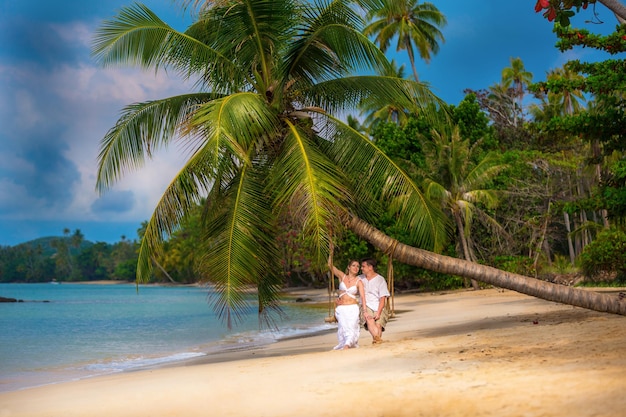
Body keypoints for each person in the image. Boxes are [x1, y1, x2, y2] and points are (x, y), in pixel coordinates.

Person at [330, 260, 366, 350]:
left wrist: (365, 311)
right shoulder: (342, 277)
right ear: (349, 267)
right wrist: (330, 253)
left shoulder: (359, 281)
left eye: (358, 266)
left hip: (352, 308)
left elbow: (363, 297)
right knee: (343, 327)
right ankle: (345, 343)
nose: (356, 268)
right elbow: (330, 266)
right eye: (353, 265)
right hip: (341, 308)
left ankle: (347, 344)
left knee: (351, 326)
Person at [359, 258, 390, 344]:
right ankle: (378, 340)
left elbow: (382, 298)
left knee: (378, 325)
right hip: (366, 305)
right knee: (369, 320)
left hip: (379, 306)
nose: (361, 268)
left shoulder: (380, 279)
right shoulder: (359, 279)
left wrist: (379, 312)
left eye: (363, 266)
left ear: (370, 267)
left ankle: (376, 340)